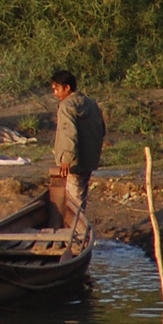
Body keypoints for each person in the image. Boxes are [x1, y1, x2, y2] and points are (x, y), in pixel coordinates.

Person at [50, 70, 105, 221]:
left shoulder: (66, 106)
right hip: (89, 159)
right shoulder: (91, 103)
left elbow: (69, 133)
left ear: (67, 88)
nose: (55, 93)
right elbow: (101, 130)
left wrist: (66, 158)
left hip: (73, 162)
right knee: (80, 197)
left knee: (73, 201)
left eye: (57, 89)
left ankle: (75, 233)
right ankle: (77, 231)